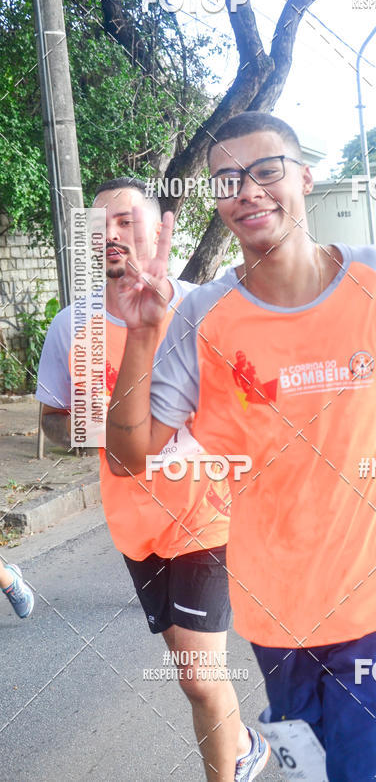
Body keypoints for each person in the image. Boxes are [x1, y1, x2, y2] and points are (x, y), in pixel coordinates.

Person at [105, 112, 376, 782]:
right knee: (310, 769)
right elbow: (127, 457)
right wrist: (141, 337)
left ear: (304, 179)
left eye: (266, 171)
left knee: (358, 774)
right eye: (229, 179)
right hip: (274, 610)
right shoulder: (203, 317)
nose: (249, 190)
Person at [36, 178, 269, 782]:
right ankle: (244, 743)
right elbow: (54, 424)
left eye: (125, 221)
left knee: (196, 676)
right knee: (190, 669)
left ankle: (230, 767)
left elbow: (258, 408)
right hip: (136, 526)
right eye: (99, 226)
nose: (111, 235)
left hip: (208, 513)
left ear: (159, 226)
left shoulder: (205, 308)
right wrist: (98, 423)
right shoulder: (73, 328)